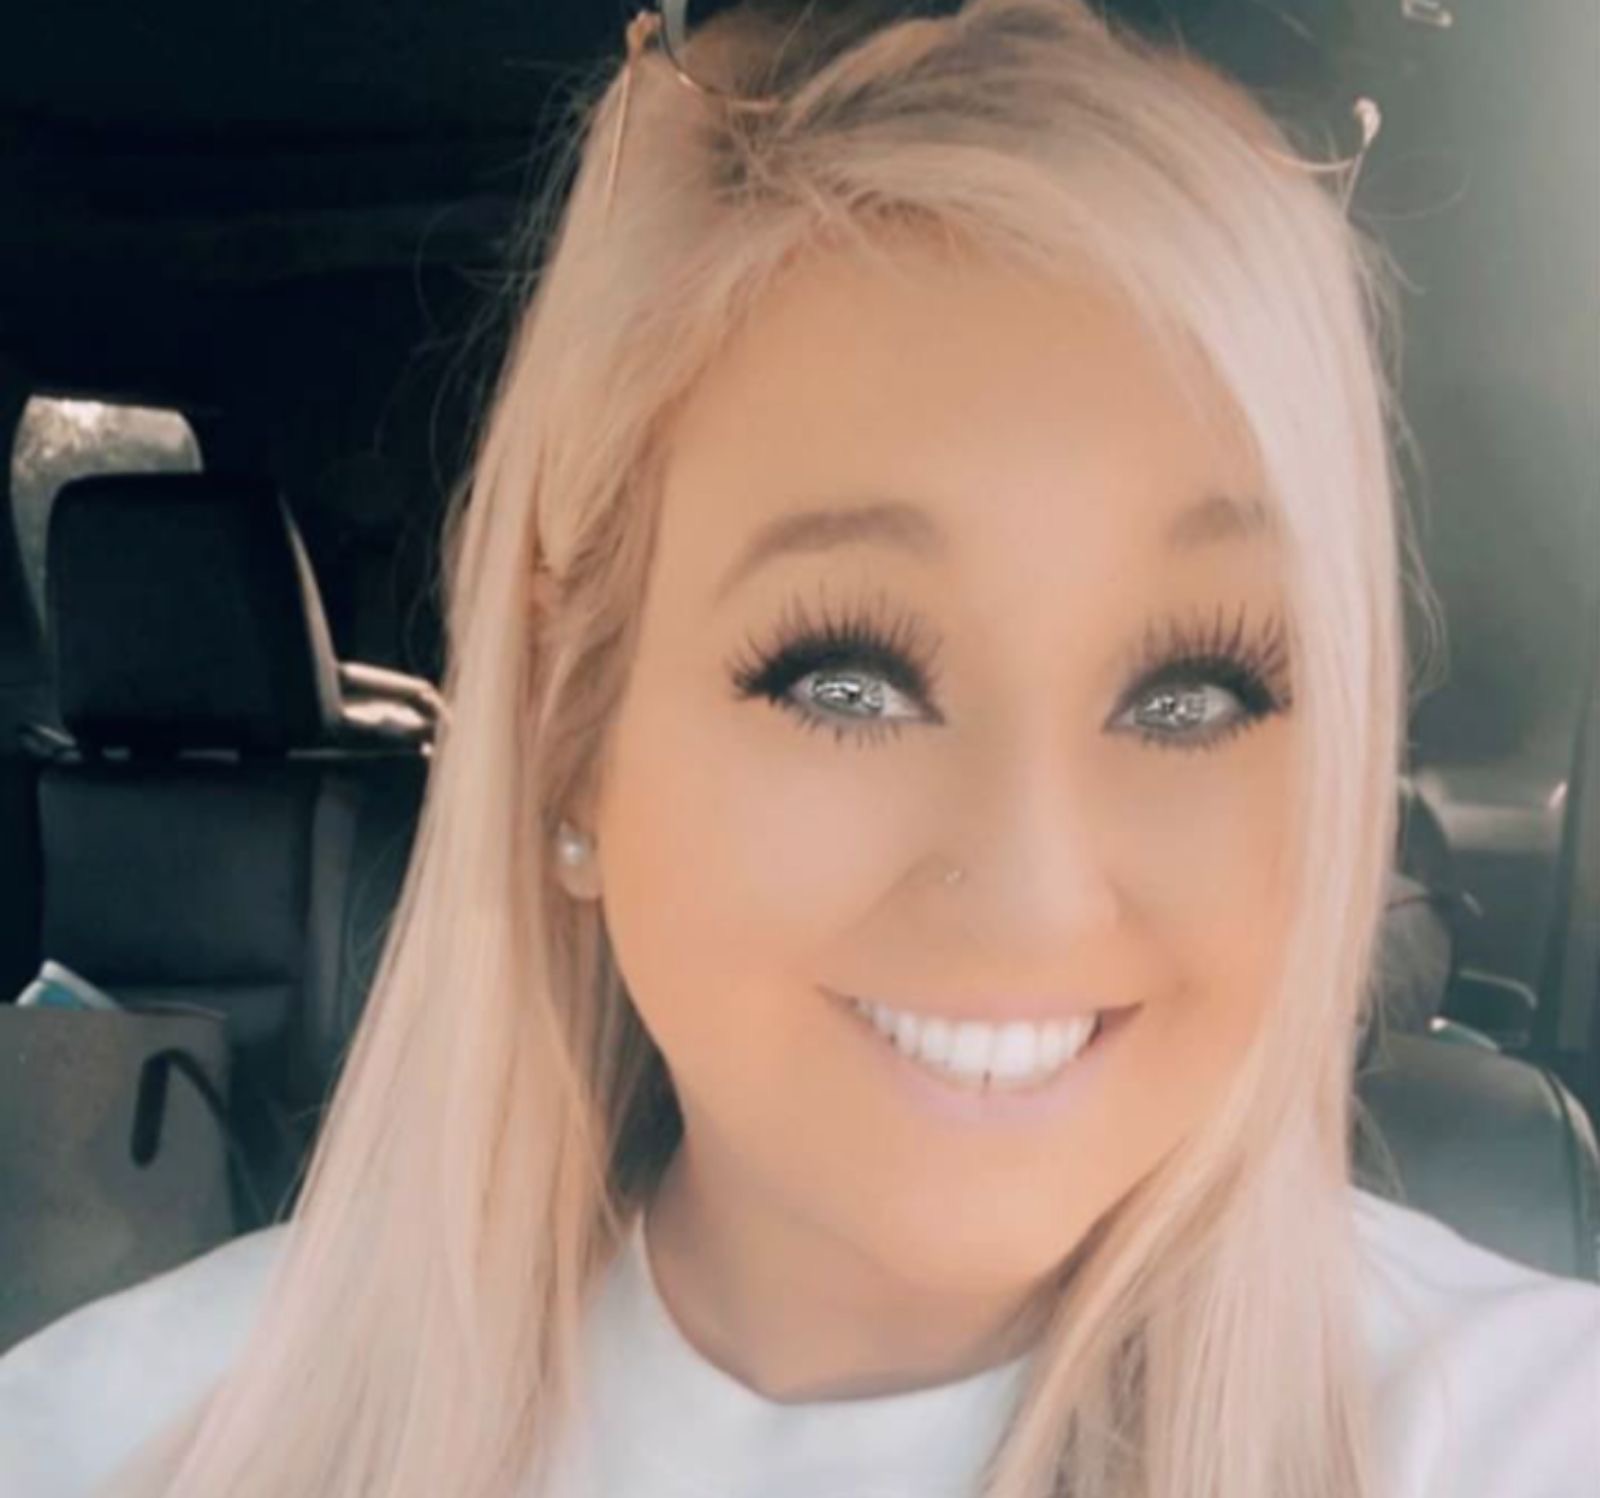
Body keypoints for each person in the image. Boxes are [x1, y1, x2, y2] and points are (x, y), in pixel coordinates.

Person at [2, 2, 1596, 1495]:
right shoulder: (121, 1435)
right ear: (569, 732)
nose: (1034, 891)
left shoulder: (1519, 1425)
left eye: (1193, 690)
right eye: (849, 678)